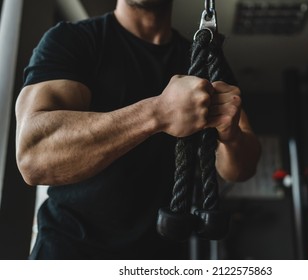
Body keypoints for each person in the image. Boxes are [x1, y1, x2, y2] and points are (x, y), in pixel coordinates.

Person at [15, 0, 261, 260]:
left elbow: (241, 169)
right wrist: (158, 112)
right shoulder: (72, 40)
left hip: (160, 256)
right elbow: (34, 156)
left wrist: (230, 135)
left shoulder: (205, 56)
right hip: (68, 253)